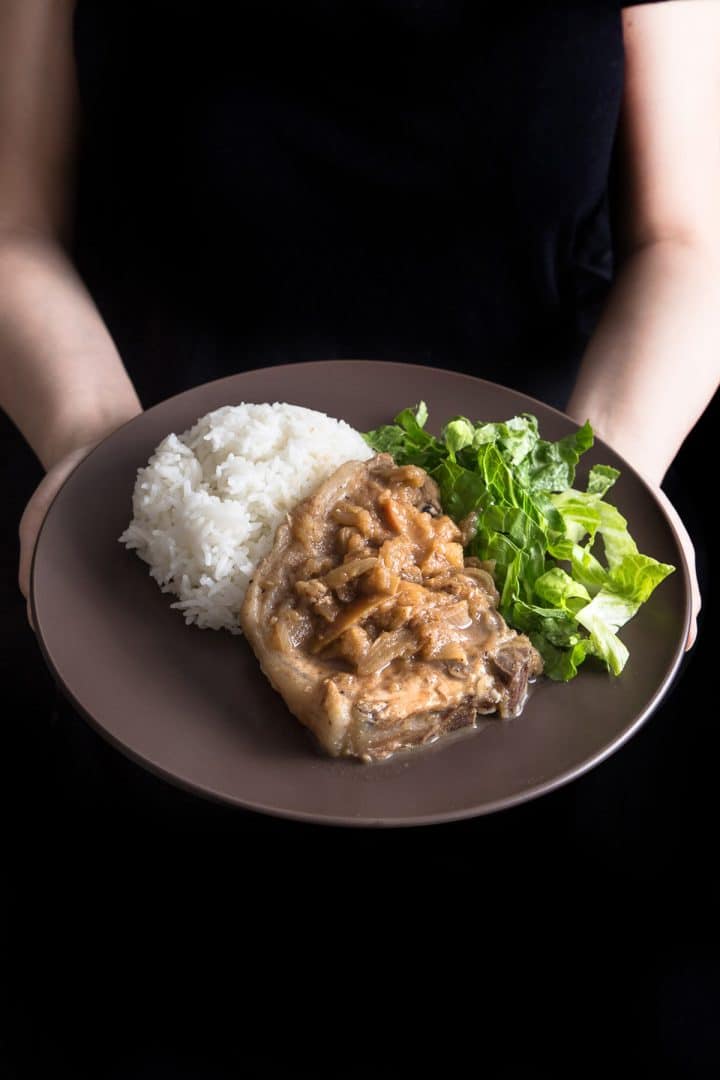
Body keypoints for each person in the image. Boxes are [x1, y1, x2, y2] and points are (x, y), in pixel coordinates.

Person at [1, 4, 719, 1074]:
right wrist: (90, 445)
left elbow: (688, 242)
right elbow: (11, 227)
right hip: (155, 556)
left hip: (523, 563)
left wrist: (589, 503)